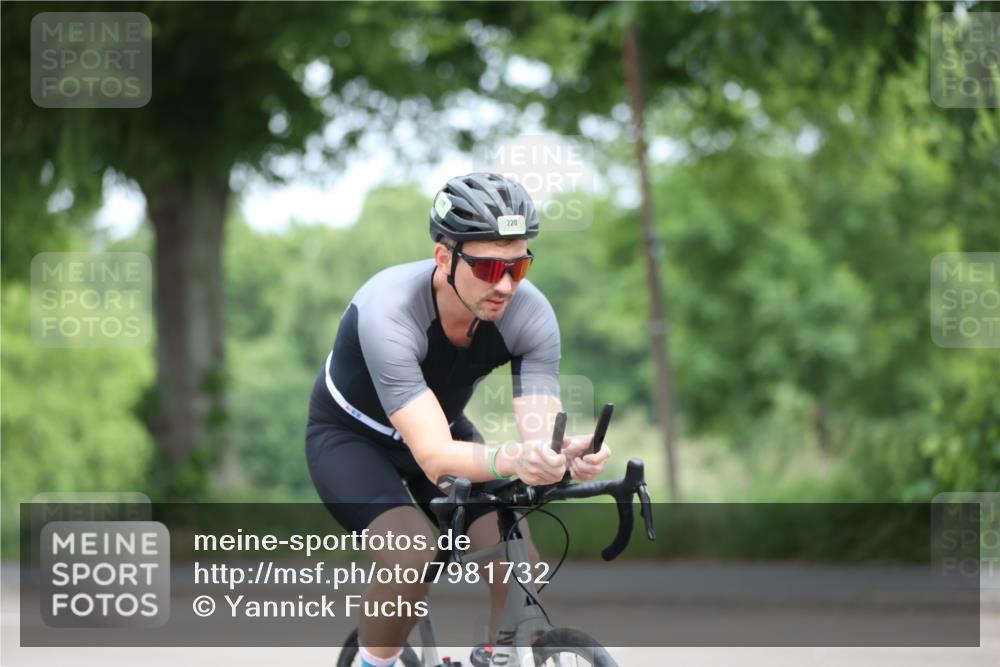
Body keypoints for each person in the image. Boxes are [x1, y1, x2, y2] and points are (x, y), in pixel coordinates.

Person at [305, 172, 612, 667]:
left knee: (519, 562)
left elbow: (538, 427)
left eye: (520, 266)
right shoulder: (388, 312)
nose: (507, 285)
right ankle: (370, 663)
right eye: (489, 268)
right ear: (444, 257)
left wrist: (558, 454)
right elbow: (432, 456)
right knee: (410, 553)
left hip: (443, 427)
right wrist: (513, 457)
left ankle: (500, 657)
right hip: (352, 439)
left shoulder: (530, 314)